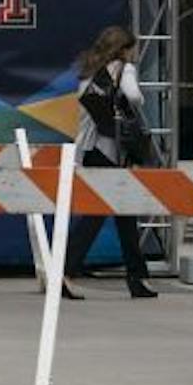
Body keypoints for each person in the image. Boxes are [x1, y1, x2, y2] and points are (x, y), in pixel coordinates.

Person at [61, 25, 157, 300]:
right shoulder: (123, 69)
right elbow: (134, 95)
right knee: (100, 214)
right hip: (112, 151)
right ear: (124, 49)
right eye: (132, 48)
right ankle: (64, 272)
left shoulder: (89, 72)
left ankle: (137, 277)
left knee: (124, 214)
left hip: (91, 149)